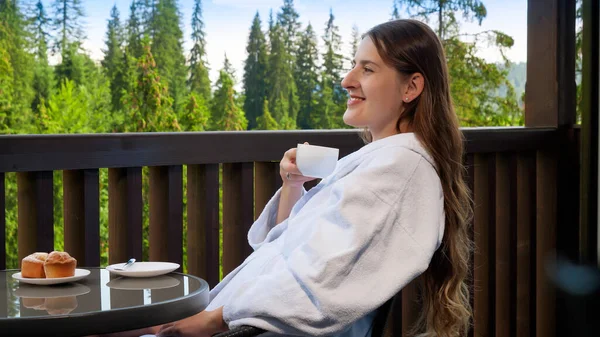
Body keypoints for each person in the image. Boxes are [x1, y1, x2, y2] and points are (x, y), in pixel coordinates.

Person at [138, 18, 472, 337]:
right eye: (354, 64)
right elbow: (288, 250)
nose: (347, 79)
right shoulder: (382, 161)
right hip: (239, 321)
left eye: (367, 69)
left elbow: (323, 282)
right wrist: (293, 185)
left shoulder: (398, 168)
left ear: (411, 86)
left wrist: (216, 319)